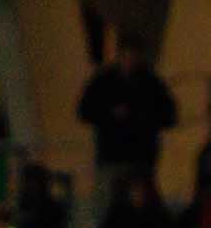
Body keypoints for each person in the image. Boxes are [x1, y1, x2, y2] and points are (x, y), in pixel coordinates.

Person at [76, 33, 177, 194]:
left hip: (140, 158)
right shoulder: (104, 81)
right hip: (113, 156)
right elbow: (84, 112)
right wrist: (110, 114)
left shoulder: (151, 83)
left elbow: (169, 116)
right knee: (111, 198)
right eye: (126, 55)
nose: (130, 60)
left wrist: (141, 116)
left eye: (133, 56)